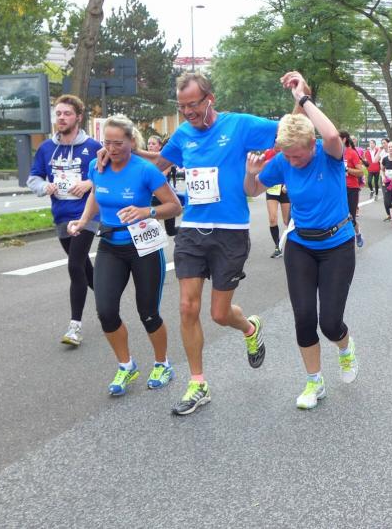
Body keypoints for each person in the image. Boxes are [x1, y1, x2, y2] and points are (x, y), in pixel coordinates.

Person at [104, 72, 285, 416]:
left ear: (209, 99)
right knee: (187, 307)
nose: (187, 112)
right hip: (192, 229)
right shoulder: (183, 134)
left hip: (230, 231)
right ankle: (198, 383)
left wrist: (299, 99)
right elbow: (159, 164)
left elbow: (289, 130)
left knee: (219, 314)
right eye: (182, 106)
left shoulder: (239, 125)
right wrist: (123, 152)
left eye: (193, 105)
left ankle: (249, 327)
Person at [245, 73, 359, 410]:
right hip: (301, 246)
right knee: (305, 318)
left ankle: (345, 348)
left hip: (337, 244)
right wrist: (251, 173)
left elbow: (331, 134)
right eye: (288, 156)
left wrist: (303, 98)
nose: (292, 162)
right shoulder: (283, 160)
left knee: (330, 323)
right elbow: (253, 190)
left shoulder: (329, 155)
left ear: (312, 145)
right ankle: (314, 382)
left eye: (297, 156)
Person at [68, 115, 182, 395]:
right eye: (107, 142)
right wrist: (83, 221)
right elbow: (96, 194)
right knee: (106, 312)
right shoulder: (97, 165)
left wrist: (146, 211)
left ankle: (162, 363)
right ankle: (126, 365)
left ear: (131, 141)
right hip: (110, 245)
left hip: (143, 246)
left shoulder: (145, 170)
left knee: (148, 313)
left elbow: (174, 206)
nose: (112, 148)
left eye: (118, 143)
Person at [28, 95, 102, 345]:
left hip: (87, 214)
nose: (61, 118)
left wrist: (89, 183)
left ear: (78, 117)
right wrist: (44, 187)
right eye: (58, 113)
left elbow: (109, 173)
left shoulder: (93, 147)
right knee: (84, 268)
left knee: (74, 265)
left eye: (67, 113)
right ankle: (107, 303)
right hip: (61, 214)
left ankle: (74, 327)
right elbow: (34, 177)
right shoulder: (46, 148)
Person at [147, 135, 181, 236]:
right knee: (152, 230)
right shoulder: (143, 161)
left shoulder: (166, 160)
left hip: (165, 199)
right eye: (149, 144)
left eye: (153, 144)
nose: (150, 146)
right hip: (151, 199)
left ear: (160, 146)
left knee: (170, 231)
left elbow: (160, 176)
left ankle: (189, 229)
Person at [262, 146, 290, 258]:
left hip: (284, 190)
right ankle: (277, 247)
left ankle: (294, 245)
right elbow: (263, 171)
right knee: (272, 219)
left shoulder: (288, 152)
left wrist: (288, 184)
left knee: (287, 221)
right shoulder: (268, 153)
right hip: (272, 190)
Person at [340, 131, 365, 248]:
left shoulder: (352, 153)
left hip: (351, 188)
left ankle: (357, 234)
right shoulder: (334, 153)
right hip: (338, 189)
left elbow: (360, 172)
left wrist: (347, 169)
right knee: (339, 216)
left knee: (351, 217)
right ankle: (343, 241)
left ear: (344, 139)